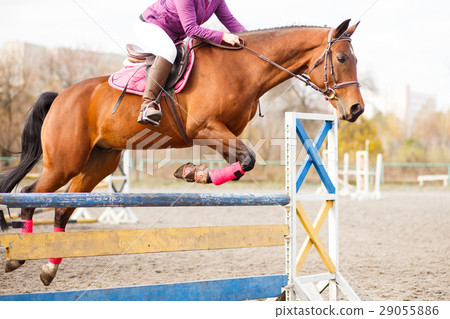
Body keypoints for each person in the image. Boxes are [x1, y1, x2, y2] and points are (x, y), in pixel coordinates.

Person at [135, 0, 246, 126]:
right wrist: (223, 36)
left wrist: (249, 40)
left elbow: (230, 20)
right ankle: (147, 105)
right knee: (168, 51)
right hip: (150, 26)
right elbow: (191, 30)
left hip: (174, 35)